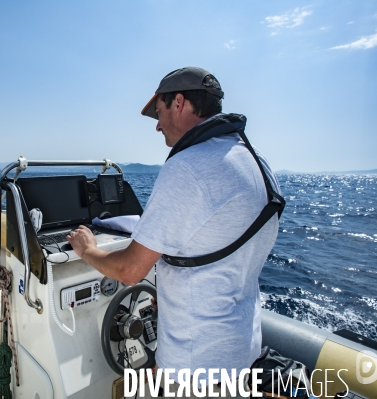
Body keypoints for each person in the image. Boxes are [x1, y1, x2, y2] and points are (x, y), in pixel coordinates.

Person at [66, 67, 282, 397]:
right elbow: (217, 252)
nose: (156, 124)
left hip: (196, 366)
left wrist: (87, 250)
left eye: (159, 111)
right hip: (242, 352)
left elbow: (130, 270)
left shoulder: (189, 166)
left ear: (179, 103)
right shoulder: (259, 162)